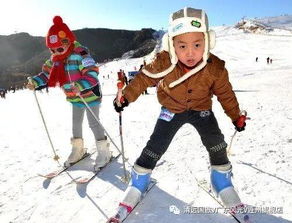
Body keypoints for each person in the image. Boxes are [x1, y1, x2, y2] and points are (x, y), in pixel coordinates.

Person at [111, 7, 247, 222]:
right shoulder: (163, 62)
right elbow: (144, 79)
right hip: (171, 110)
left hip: (201, 109)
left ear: (208, 42)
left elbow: (226, 94)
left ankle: (221, 179)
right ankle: (140, 179)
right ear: (171, 45)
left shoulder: (215, 68)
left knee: (216, 142)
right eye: (182, 46)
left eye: (197, 45)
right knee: (156, 145)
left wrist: (236, 116)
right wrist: (125, 97)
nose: (190, 52)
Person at [26, 16, 111, 169]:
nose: (56, 52)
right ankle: (78, 149)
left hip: (89, 94)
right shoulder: (55, 59)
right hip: (74, 97)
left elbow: (92, 72)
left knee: (93, 123)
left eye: (59, 48)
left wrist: (80, 85)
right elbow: (46, 73)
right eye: (52, 49)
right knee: (76, 123)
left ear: (68, 41)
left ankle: (104, 151)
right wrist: (35, 81)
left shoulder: (81, 53)